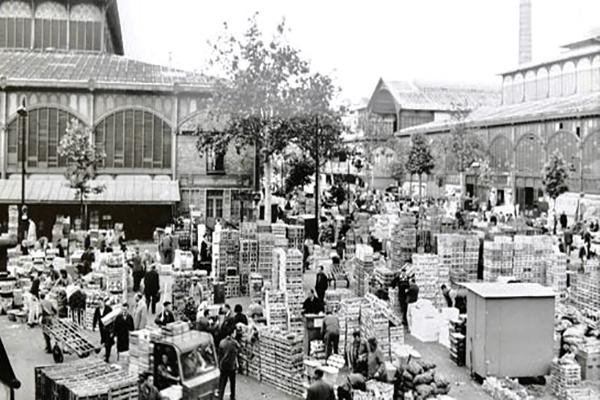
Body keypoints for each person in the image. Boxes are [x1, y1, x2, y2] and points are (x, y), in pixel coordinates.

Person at [218, 328, 240, 400]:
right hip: (231, 366)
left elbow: (220, 355)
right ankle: (232, 397)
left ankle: (220, 396)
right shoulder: (234, 343)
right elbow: (239, 349)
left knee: (222, 383)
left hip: (223, 365)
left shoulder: (222, 342)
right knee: (232, 382)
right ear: (232, 333)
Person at [92, 297, 114, 363]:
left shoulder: (108, 309)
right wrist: (93, 326)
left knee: (108, 343)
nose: (99, 305)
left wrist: (113, 330)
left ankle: (107, 357)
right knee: (104, 340)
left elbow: (112, 319)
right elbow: (95, 318)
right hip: (102, 329)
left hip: (108, 328)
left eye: (100, 303)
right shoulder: (97, 310)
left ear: (103, 302)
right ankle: (106, 352)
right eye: (98, 304)